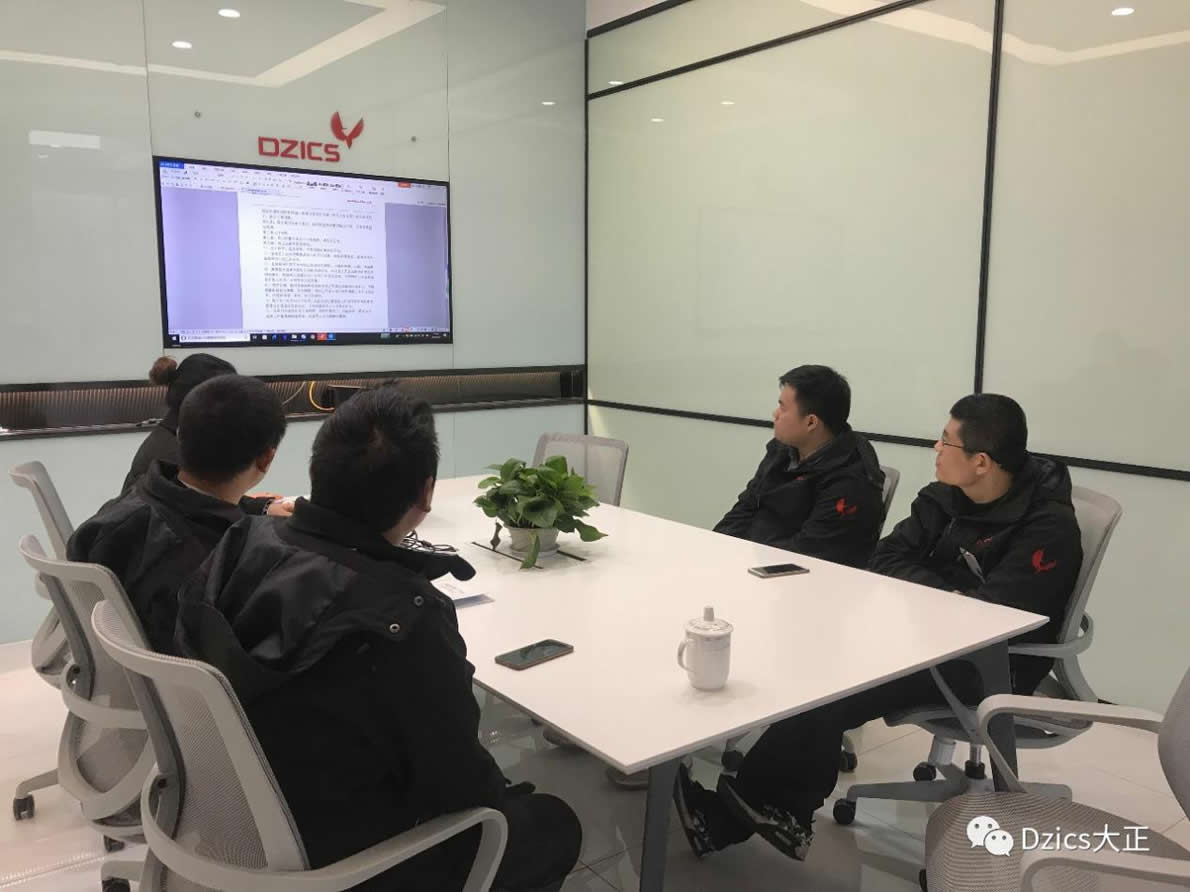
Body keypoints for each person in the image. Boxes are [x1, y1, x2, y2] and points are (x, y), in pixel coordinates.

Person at [174, 387, 582, 892]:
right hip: (352, 854)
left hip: (242, 808)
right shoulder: (404, 618)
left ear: (317, 471)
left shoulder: (243, 540)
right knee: (554, 821)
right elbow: (460, 787)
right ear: (426, 493)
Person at [674, 393, 1082, 865]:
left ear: (981, 462)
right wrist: (947, 592)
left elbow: (992, 615)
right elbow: (886, 557)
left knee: (836, 685)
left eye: (946, 441)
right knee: (822, 659)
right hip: (926, 636)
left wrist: (938, 596)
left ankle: (743, 818)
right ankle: (774, 807)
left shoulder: (1047, 528)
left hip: (992, 664)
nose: (936, 448)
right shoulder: (946, 498)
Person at [68, 374, 287, 652]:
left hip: (123, 663)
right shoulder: (227, 564)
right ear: (267, 459)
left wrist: (256, 507)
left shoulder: (121, 512)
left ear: (181, 436)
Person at [714, 365, 885, 569]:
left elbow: (808, 553)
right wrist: (717, 547)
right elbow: (746, 507)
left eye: (783, 408)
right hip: (754, 561)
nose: (775, 413)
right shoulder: (783, 449)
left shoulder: (852, 481)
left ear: (811, 422)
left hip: (802, 576)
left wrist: (744, 562)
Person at [123, 354, 287, 516]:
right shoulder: (174, 455)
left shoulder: (171, 442)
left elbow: (204, 499)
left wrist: (260, 507)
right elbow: (203, 510)